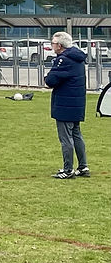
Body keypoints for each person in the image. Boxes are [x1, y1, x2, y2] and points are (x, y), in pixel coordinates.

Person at [44, 32, 89, 179]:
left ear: (59, 45)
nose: (52, 46)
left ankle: (68, 169)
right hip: (76, 103)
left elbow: (51, 80)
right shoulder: (77, 57)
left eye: (53, 43)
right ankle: (83, 166)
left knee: (66, 138)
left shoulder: (63, 60)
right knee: (76, 135)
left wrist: (47, 77)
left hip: (65, 104)